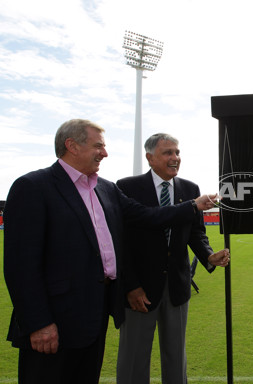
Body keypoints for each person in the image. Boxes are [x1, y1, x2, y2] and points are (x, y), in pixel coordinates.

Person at [3, 119, 218, 384]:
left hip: (96, 313)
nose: (105, 153)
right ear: (72, 146)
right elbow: (21, 266)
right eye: (98, 146)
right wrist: (38, 323)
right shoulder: (34, 187)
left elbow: (148, 216)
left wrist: (192, 206)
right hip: (54, 321)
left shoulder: (105, 188)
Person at [115, 133, 230, 384]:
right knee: (133, 358)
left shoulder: (190, 189)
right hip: (139, 290)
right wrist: (131, 286)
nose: (175, 158)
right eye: (168, 153)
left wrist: (209, 256)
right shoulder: (126, 188)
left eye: (177, 152)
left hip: (177, 287)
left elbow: (196, 233)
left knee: (176, 357)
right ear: (150, 158)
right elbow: (119, 244)